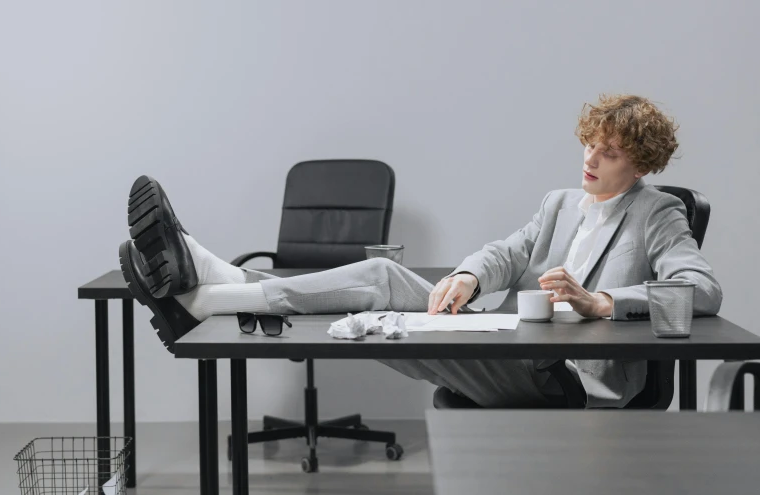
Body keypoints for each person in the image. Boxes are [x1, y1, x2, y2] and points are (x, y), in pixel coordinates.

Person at [119, 93, 722, 408]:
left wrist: (602, 303)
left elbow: (701, 290)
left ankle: (209, 295)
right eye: (589, 145)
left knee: (388, 327)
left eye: (609, 152)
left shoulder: (657, 213)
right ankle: (220, 284)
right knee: (386, 277)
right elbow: (506, 252)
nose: (590, 159)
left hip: (567, 380)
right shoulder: (562, 202)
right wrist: (466, 276)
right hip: (517, 346)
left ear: (641, 162)